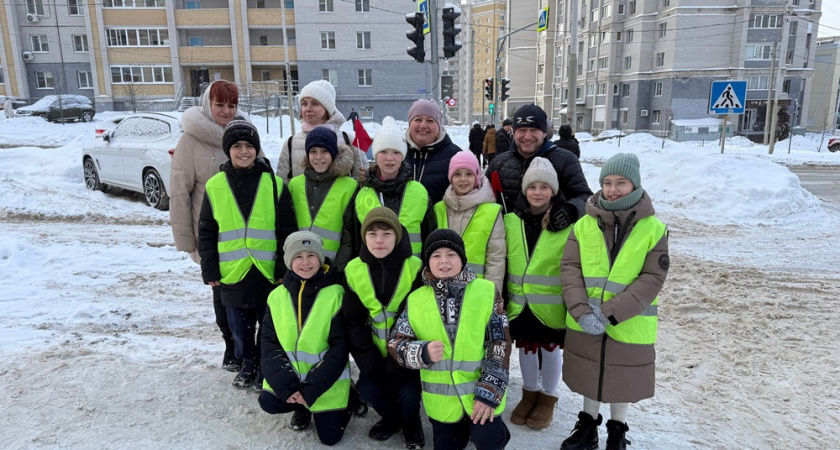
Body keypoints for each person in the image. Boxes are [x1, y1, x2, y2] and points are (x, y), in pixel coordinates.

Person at [559, 153, 669, 450]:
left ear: (635, 184)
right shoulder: (583, 225)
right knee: (589, 373)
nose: (612, 189)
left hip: (628, 322)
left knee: (622, 378)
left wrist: (608, 313)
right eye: (607, 182)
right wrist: (582, 311)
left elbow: (651, 278)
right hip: (585, 319)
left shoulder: (653, 229)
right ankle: (587, 426)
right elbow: (570, 269)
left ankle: (617, 430)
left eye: (621, 182)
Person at [389, 229, 512, 450]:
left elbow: (500, 342)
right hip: (442, 403)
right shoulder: (416, 299)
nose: (444, 261)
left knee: (490, 441)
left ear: (462, 259)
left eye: (451, 254)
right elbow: (396, 344)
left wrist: (489, 391)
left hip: (480, 393)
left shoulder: (486, 291)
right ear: (428, 262)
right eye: (436, 256)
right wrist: (421, 352)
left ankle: (495, 433)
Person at [198, 119, 296, 390]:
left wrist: (283, 268)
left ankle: (265, 366)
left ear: (257, 149)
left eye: (250, 146)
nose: (244, 151)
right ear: (228, 150)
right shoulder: (215, 186)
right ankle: (247, 364)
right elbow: (206, 231)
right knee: (240, 330)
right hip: (233, 273)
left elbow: (287, 229)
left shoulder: (274, 184)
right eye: (237, 146)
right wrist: (210, 269)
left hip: (266, 273)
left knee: (268, 326)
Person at [170, 80, 256, 372]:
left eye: (231, 105)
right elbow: (179, 194)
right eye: (220, 105)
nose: (226, 111)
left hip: (247, 237)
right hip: (211, 236)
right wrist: (186, 240)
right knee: (222, 295)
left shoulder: (245, 135)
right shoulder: (191, 141)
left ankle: (251, 350)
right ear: (208, 104)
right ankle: (231, 348)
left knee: (249, 297)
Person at [258, 231, 356, 446]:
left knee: (330, 438)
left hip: (325, 381)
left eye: (311, 255)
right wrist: (287, 387)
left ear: (320, 259)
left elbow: (339, 350)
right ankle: (300, 405)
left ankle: (350, 397)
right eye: (298, 256)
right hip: (292, 377)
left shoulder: (336, 294)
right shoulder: (276, 296)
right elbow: (268, 345)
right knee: (269, 402)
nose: (305, 262)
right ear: (288, 261)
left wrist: (311, 389)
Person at [343, 207, 426, 449]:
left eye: (386, 233)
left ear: (398, 236)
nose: (379, 240)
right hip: (373, 354)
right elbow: (353, 322)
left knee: (408, 393)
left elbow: (418, 319)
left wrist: (395, 366)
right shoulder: (353, 270)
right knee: (368, 389)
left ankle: (411, 422)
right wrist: (372, 365)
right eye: (372, 234)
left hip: (407, 354)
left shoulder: (415, 267)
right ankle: (391, 419)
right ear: (364, 237)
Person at [503, 157, 571, 430]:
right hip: (520, 303)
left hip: (551, 304)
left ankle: (547, 397)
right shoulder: (510, 219)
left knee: (550, 350)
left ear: (553, 191)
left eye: (544, 187)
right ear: (524, 190)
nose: (538, 192)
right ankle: (529, 393)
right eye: (532, 187)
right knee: (527, 349)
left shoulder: (566, 222)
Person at [486, 104, 592, 233]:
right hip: (510, 243)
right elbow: (483, 198)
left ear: (544, 132)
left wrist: (570, 211)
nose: (528, 136)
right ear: (514, 133)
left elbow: (585, 197)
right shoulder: (499, 163)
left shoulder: (565, 160)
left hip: (550, 241)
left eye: (534, 130)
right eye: (522, 130)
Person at [355, 116, 436, 257]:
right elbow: (356, 240)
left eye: (396, 152)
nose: (390, 158)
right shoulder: (363, 193)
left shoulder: (418, 192)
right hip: (375, 272)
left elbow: (429, 234)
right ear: (375, 154)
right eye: (384, 152)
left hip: (413, 272)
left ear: (403, 155)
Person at [433, 151, 505, 294]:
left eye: (469, 174)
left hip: (477, 290)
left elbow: (495, 259)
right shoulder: (439, 209)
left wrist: (492, 295)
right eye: (457, 174)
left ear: (477, 176)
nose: (463, 179)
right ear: (450, 177)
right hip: (442, 290)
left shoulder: (491, 211)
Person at [288, 126, 358, 271]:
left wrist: (338, 268)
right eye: (313, 151)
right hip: (300, 266)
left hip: (332, 266)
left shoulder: (349, 186)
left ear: (333, 154)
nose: (318, 157)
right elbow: (289, 226)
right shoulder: (295, 184)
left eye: (324, 151)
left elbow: (349, 235)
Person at [276, 80, 366, 184]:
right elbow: (282, 187)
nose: (308, 108)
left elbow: (363, 184)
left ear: (327, 108)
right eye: (304, 104)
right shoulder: (290, 143)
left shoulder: (348, 140)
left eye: (315, 104)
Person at [404, 99, 462, 204]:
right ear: (409, 123)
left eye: (430, 120)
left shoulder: (455, 155)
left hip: (440, 220)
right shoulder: (397, 152)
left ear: (438, 126)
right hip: (401, 220)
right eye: (417, 119)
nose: (423, 125)